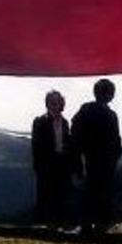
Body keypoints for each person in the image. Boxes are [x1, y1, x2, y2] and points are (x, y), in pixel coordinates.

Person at [70, 79, 122, 237]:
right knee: (102, 194)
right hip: (104, 162)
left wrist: (77, 161)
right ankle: (100, 226)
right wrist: (115, 156)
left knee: (90, 194)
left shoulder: (86, 110)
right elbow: (116, 141)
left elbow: (76, 136)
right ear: (110, 95)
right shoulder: (111, 115)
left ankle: (87, 225)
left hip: (91, 159)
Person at [31, 90, 78, 228]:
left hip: (62, 165)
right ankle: (41, 226)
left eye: (57, 102)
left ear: (61, 104)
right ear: (47, 104)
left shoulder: (64, 122)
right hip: (46, 166)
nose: (54, 105)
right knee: (44, 196)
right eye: (51, 102)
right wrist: (39, 167)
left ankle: (58, 225)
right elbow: (36, 146)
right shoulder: (40, 121)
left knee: (60, 196)